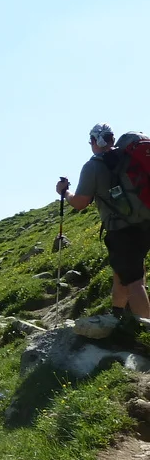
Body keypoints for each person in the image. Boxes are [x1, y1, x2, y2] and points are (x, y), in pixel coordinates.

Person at [57, 123, 150, 319]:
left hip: (121, 229)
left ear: (93, 141)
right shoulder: (128, 158)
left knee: (134, 282)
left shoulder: (93, 166)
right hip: (145, 223)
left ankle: (145, 329)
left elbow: (80, 203)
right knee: (123, 271)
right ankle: (117, 316)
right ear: (112, 139)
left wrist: (65, 192)